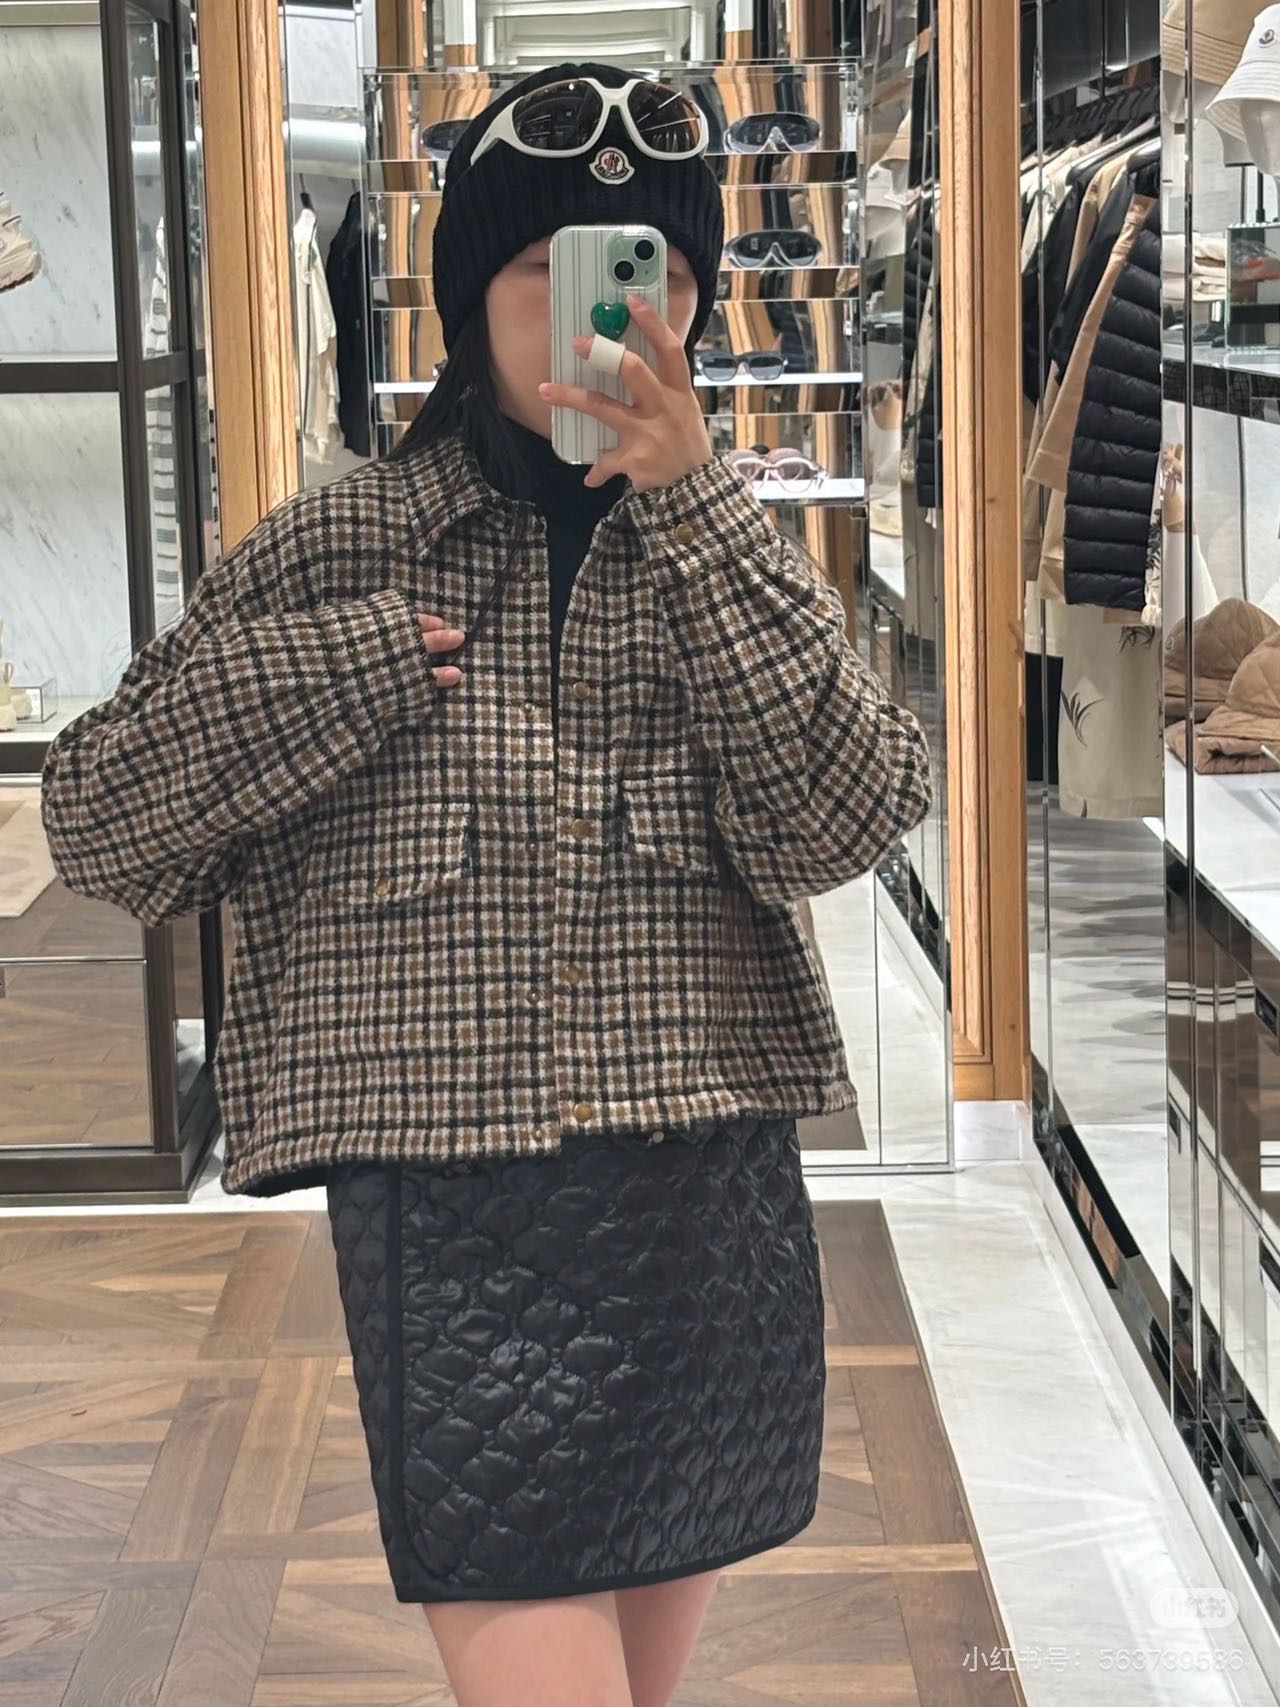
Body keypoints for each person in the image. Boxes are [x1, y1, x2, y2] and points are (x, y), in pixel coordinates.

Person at [40, 59, 932, 1707]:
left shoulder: (727, 550)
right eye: (548, 266)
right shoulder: (347, 543)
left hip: (698, 1178)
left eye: (657, 271)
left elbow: (848, 816)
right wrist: (356, 667)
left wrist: (701, 510)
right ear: (469, 298)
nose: (617, 311)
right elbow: (100, 821)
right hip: (455, 1203)